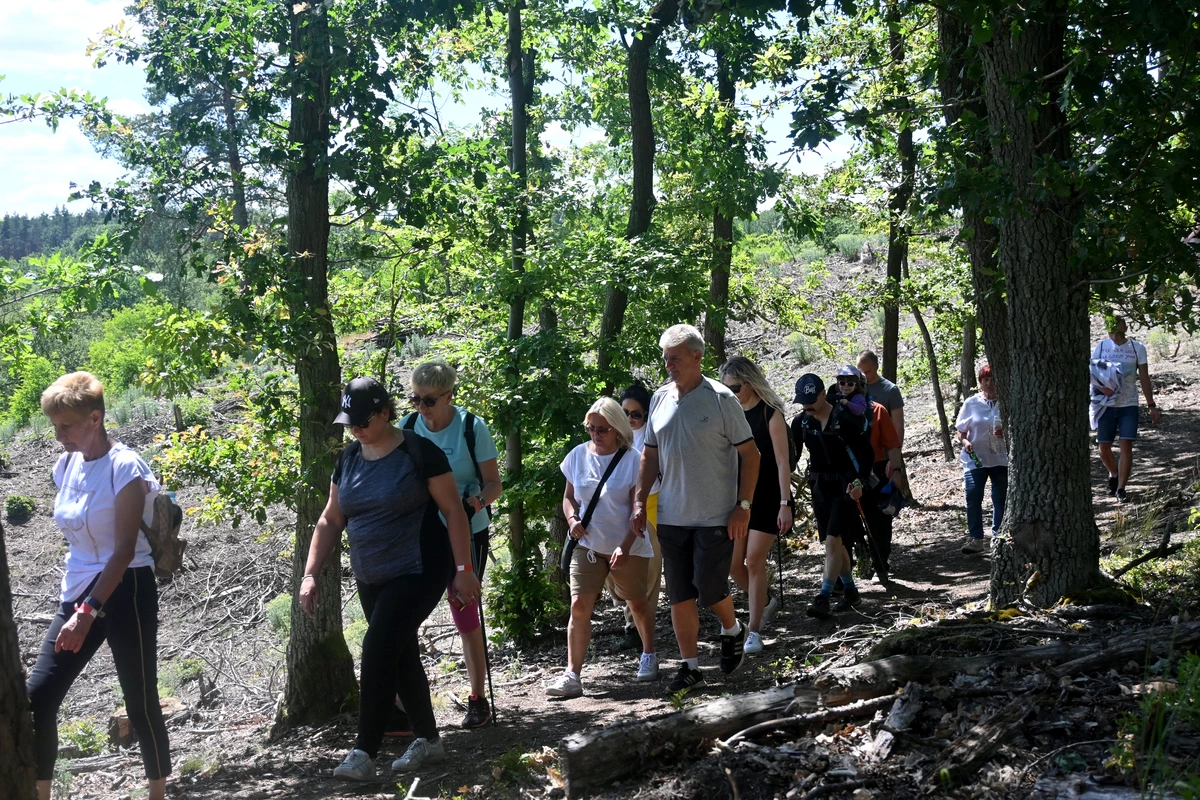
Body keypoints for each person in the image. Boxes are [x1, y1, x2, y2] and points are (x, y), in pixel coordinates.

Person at [301, 377, 480, 781]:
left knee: (378, 648)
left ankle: (364, 751)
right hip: (371, 574)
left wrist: (464, 571)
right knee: (400, 654)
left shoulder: (420, 453)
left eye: (363, 421)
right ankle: (430, 741)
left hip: (419, 568)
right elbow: (332, 517)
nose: (356, 430)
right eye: (349, 423)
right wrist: (310, 573)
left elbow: (454, 512)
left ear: (385, 413)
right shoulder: (348, 458)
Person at [26, 373, 173, 800]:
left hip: (126, 588)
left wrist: (86, 612)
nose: (58, 435)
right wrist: (77, 605)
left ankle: (157, 794)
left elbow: (125, 549)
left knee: (141, 703)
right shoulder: (66, 465)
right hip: (77, 589)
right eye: (54, 426)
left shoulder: (126, 466)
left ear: (95, 418)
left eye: (65, 425)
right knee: (39, 698)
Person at [630, 324, 760, 693]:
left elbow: (751, 456)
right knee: (681, 594)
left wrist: (743, 506)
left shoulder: (721, 399)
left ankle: (734, 629)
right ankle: (690, 667)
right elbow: (649, 455)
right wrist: (640, 501)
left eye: (675, 358)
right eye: (665, 358)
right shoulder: (658, 399)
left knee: (707, 585)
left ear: (697, 356)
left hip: (716, 515)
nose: (668, 365)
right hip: (671, 514)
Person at [402, 360, 502, 729]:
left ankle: (478, 699)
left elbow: (494, 484)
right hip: (422, 533)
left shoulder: (473, 428)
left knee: (465, 614)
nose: (421, 408)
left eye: (429, 401)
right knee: (406, 612)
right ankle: (402, 702)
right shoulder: (408, 428)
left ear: (449, 395)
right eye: (415, 399)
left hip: (468, 531)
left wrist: (474, 503)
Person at [546, 398, 658, 697]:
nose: (595, 434)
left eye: (602, 429)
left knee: (635, 602)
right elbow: (569, 497)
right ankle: (572, 675)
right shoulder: (577, 456)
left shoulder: (634, 459)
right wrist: (572, 519)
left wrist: (624, 546)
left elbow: (638, 510)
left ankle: (649, 653)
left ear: (617, 429)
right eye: (591, 428)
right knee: (579, 606)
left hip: (628, 545)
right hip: (588, 545)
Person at [718, 356, 791, 654]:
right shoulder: (729, 415)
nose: (731, 394)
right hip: (740, 500)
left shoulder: (770, 414)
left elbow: (783, 461)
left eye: (734, 388)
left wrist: (785, 502)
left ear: (749, 383)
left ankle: (755, 630)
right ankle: (763, 601)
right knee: (734, 565)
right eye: (726, 390)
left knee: (754, 561)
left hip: (770, 497)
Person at [791, 373, 874, 619]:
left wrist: (860, 482)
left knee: (831, 541)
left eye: (811, 400)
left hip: (845, 487)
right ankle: (851, 592)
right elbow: (792, 457)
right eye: (802, 401)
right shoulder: (801, 423)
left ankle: (823, 597)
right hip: (819, 488)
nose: (807, 406)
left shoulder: (845, 418)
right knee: (835, 543)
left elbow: (865, 453)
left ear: (823, 394)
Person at [609, 382, 663, 652]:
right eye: (625, 412)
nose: (630, 419)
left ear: (646, 414)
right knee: (620, 559)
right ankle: (631, 621)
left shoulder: (655, 434)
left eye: (636, 414)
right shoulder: (611, 435)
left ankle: (641, 626)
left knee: (649, 566)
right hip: (620, 506)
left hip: (653, 503)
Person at [1091, 315, 1161, 503]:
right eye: (1111, 331)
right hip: (1106, 404)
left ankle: (1121, 488)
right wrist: (1100, 389)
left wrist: (1151, 405)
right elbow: (1093, 373)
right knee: (1104, 447)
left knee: (1126, 444)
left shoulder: (1137, 349)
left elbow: (1144, 377)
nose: (1115, 336)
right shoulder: (1102, 347)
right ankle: (1113, 473)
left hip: (1129, 403)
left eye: (1119, 332)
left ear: (1125, 329)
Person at [955, 365, 1008, 553]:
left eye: (993, 379)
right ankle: (976, 539)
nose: (989, 383)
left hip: (1001, 459)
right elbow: (960, 431)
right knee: (973, 496)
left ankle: (997, 538)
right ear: (980, 382)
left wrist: (1006, 432)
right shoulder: (971, 403)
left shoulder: (1007, 402)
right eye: (985, 379)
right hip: (975, 459)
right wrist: (965, 442)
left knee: (1000, 497)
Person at [857, 350, 905, 444]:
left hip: (884, 450)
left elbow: (898, 426)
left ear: (876, 367)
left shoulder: (890, 390)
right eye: (861, 372)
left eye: (867, 372)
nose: (864, 376)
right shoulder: (853, 388)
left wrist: (895, 454)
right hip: (861, 451)